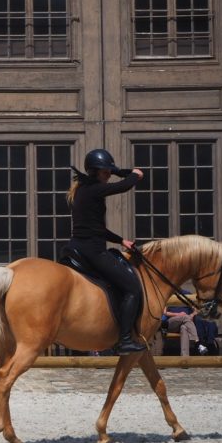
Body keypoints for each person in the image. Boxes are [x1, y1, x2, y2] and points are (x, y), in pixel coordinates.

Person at [65, 148, 145, 354]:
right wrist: (134, 174)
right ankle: (125, 339)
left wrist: (121, 240)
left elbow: (96, 229)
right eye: (106, 172)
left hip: (77, 247)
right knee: (133, 289)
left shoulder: (83, 189)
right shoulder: (94, 189)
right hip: (93, 251)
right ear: (97, 171)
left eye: (110, 172)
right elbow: (124, 186)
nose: (109, 175)